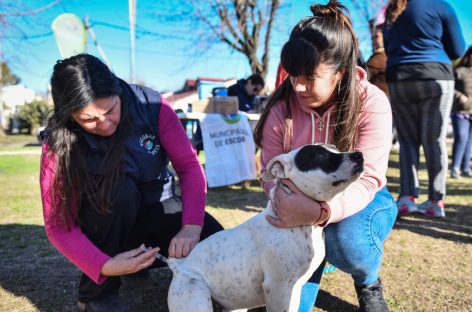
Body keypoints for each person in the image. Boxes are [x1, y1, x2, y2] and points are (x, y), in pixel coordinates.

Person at [39, 53, 224, 312]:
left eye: (110, 110)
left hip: (158, 203)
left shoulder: (152, 106)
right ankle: (96, 295)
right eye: (89, 119)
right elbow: (58, 225)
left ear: (118, 90)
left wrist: (192, 227)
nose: (104, 124)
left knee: (216, 241)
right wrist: (104, 265)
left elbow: (189, 167)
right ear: (69, 116)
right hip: (106, 218)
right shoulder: (58, 142)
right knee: (119, 192)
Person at [253, 1, 397, 311]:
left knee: (345, 241)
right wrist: (292, 205)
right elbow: (271, 173)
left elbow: (369, 177)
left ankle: (368, 279)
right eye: (293, 75)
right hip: (297, 202)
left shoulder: (371, 102)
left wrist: (319, 214)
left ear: (341, 73)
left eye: (309, 76)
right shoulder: (281, 110)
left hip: (364, 198)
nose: (298, 85)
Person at [383, 0, 466, 217]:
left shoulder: (392, 8)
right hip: (435, 77)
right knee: (435, 140)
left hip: (399, 78)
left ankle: (406, 198)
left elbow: (389, 47)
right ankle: (436, 201)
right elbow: (457, 49)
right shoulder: (441, 6)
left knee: (407, 140)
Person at [450, 46, 472, 179]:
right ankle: (455, 168)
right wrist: (459, 96)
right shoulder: (459, 71)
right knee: (461, 138)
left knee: (470, 141)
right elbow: (449, 87)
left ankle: (466, 168)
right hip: (460, 111)